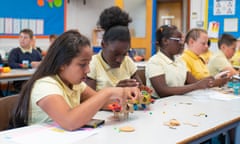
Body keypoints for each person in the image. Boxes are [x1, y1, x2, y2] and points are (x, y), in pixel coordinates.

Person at [10, 30, 140, 131]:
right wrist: (107, 92)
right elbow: (70, 121)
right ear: (62, 64)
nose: (88, 70)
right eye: (82, 64)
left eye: (89, 63)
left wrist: (125, 94)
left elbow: (103, 103)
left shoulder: (74, 84)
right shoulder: (45, 85)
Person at [145, 25, 214, 98]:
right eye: (178, 40)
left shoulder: (179, 61)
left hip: (177, 102)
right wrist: (196, 86)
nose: (182, 44)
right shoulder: (155, 62)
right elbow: (163, 91)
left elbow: (194, 82)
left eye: (182, 40)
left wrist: (207, 81)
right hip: (160, 104)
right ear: (165, 41)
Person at [86, 6, 142, 91]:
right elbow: (89, 101)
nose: (119, 60)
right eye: (115, 54)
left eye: (124, 54)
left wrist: (140, 90)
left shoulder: (127, 62)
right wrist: (115, 92)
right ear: (103, 45)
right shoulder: (93, 65)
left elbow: (142, 90)